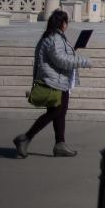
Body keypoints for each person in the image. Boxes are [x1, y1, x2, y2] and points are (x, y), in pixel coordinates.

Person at [13, 9, 91, 158]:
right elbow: (61, 60)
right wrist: (84, 61)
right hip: (54, 81)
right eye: (66, 22)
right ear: (62, 23)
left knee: (60, 113)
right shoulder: (54, 38)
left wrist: (72, 50)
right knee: (55, 112)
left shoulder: (54, 37)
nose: (67, 25)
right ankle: (25, 138)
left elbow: (59, 56)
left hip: (60, 81)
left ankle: (60, 144)